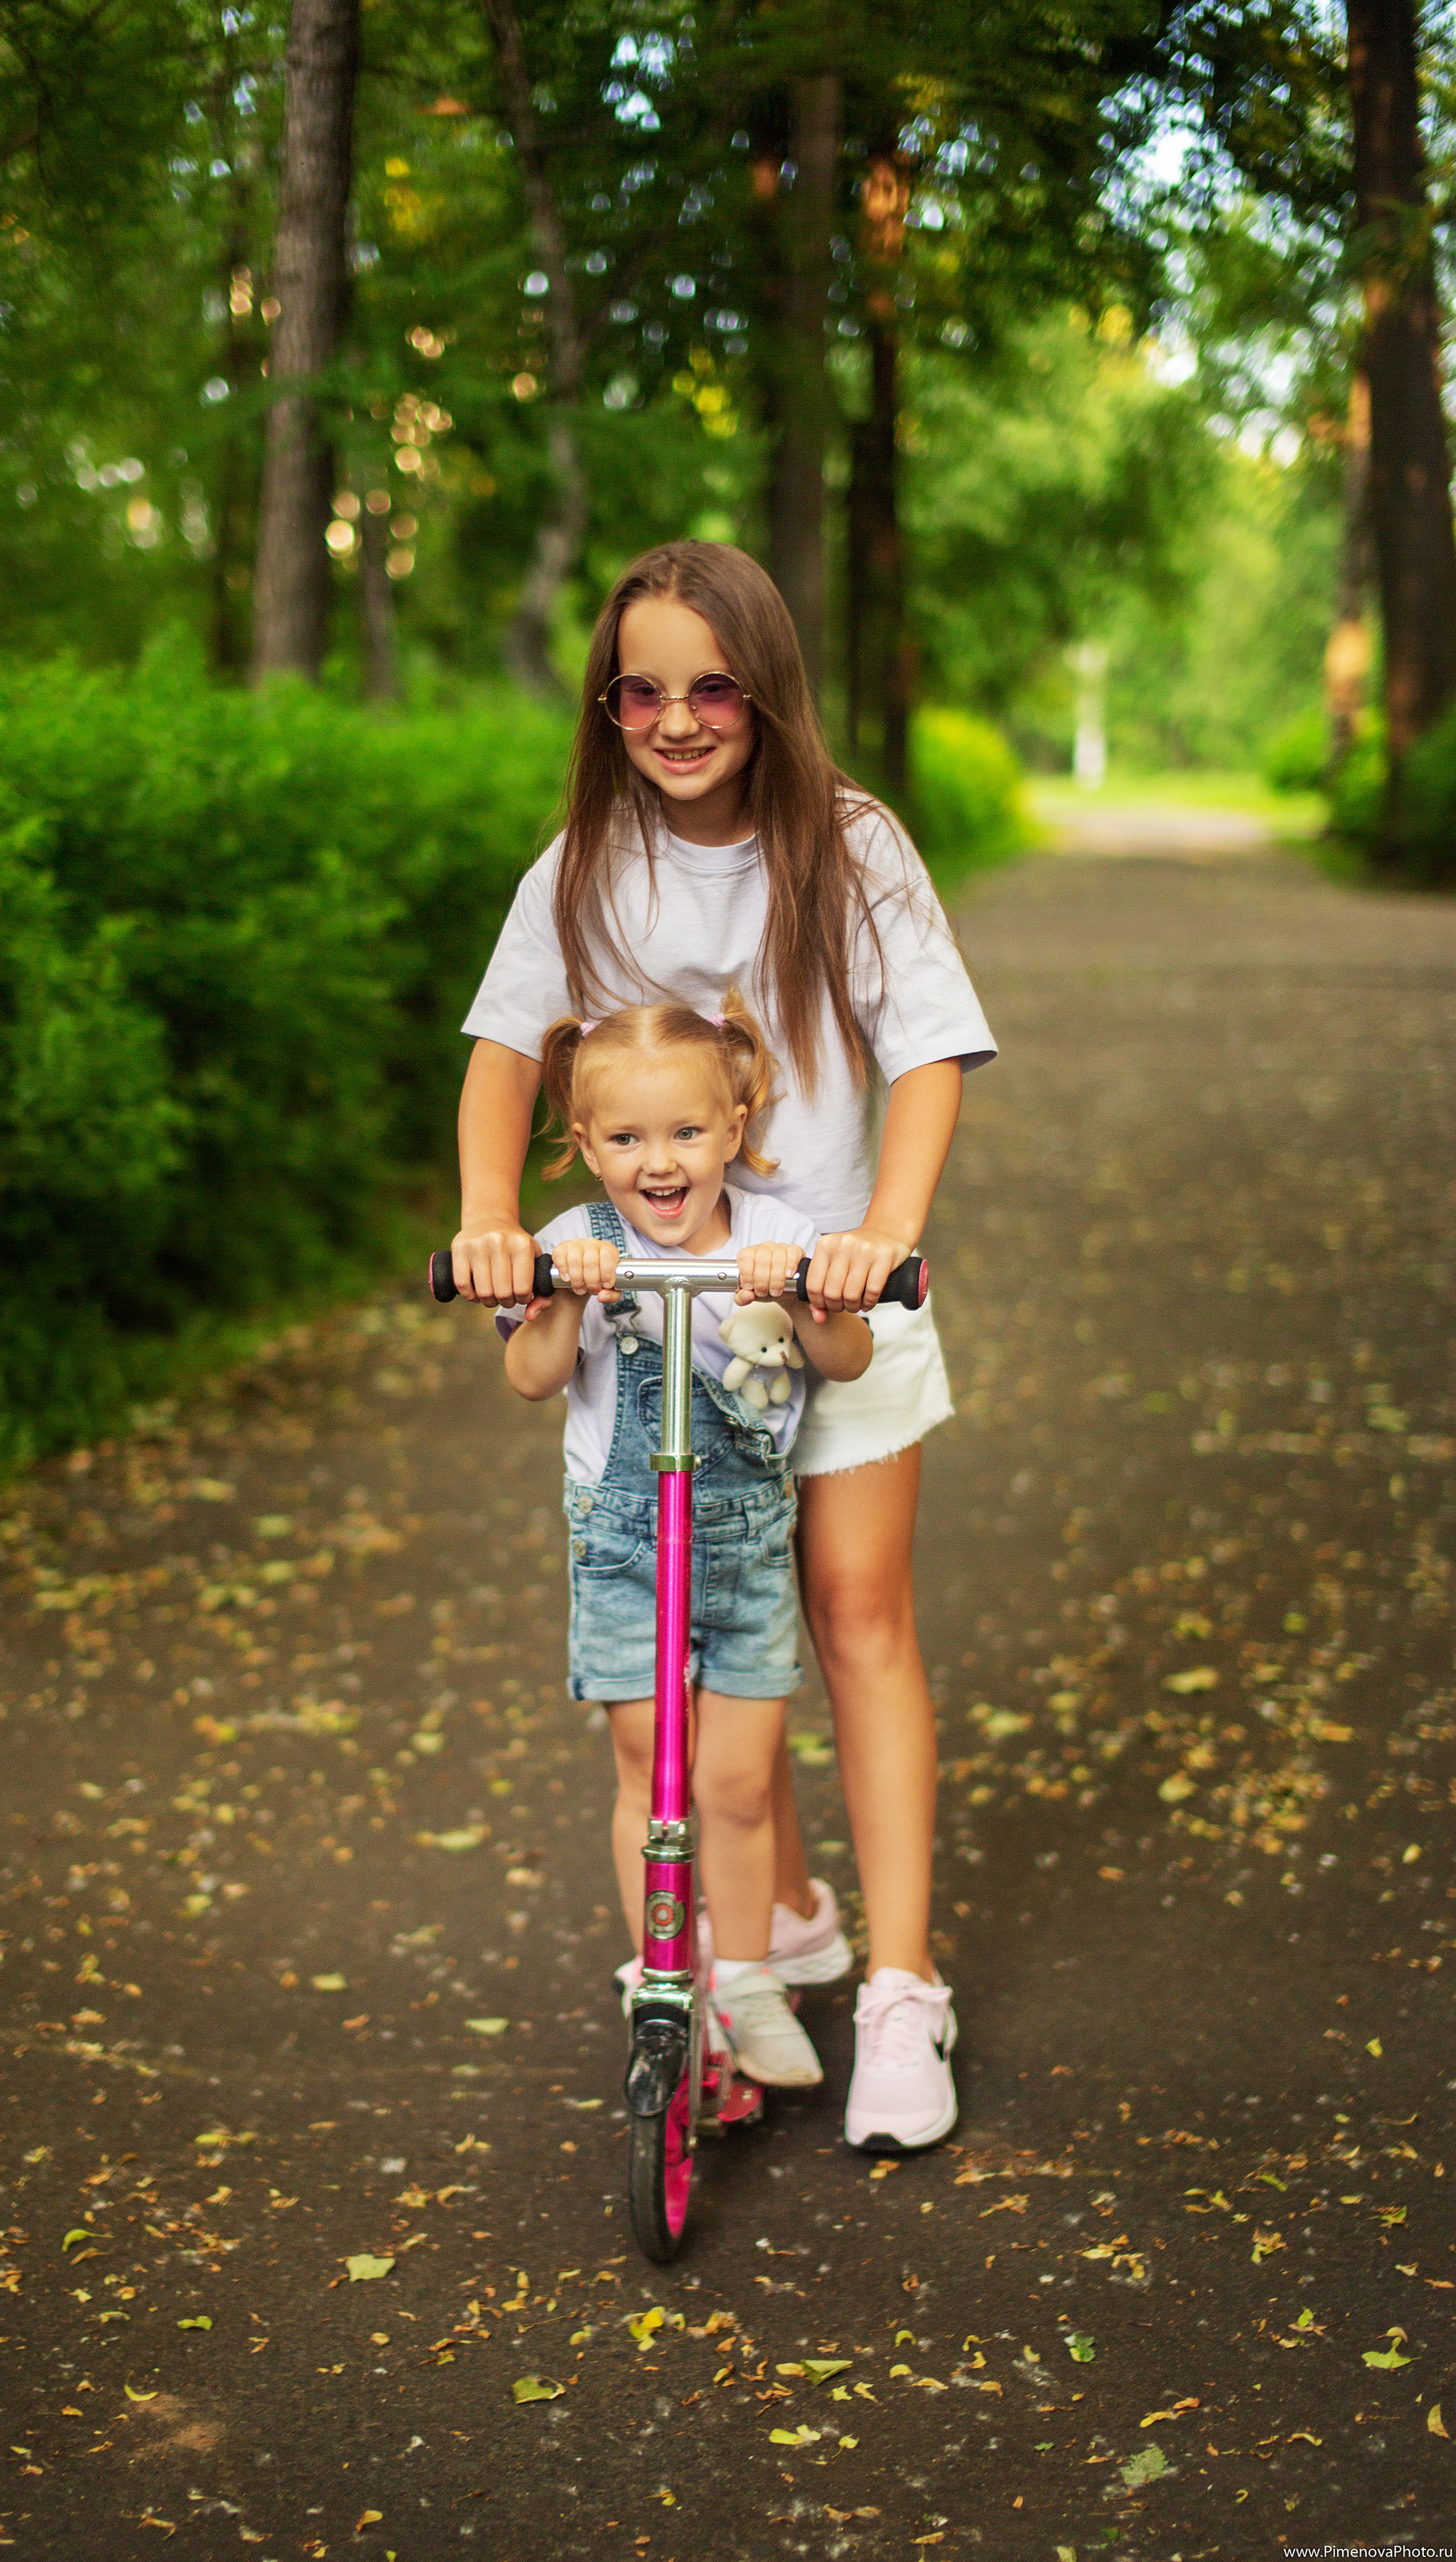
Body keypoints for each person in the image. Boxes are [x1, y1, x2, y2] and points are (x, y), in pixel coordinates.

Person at [450, 540, 996, 2152]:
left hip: (827, 1298)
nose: (677, 716)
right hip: (667, 1326)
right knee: (704, 1654)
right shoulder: (582, 866)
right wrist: (497, 1218)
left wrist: (881, 1233)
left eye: (709, 685)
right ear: (607, 703)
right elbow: (503, 1051)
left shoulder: (850, 843)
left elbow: (929, 1054)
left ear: (760, 690)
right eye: (641, 688)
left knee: (851, 1615)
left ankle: (896, 1986)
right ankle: (774, 1930)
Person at [498, 995, 874, 2089]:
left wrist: (808, 1292)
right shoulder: (572, 1241)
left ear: (733, 1126)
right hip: (623, 1545)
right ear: (584, 1144)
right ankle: (661, 1974)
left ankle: (748, 1975)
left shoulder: (777, 1236)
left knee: (741, 1784)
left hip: (747, 1545)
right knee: (648, 1768)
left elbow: (844, 1359)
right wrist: (562, 1298)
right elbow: (528, 1378)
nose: (657, 1164)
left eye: (685, 1135)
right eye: (625, 1139)